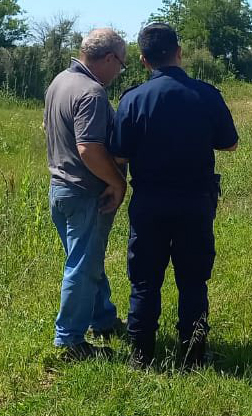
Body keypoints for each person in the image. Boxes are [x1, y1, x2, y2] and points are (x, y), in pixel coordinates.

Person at [109, 23, 239, 368]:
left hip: (149, 202)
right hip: (195, 202)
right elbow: (230, 143)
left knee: (144, 280)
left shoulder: (133, 99)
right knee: (194, 280)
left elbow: (119, 155)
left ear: (143, 59)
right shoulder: (206, 94)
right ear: (179, 53)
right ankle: (193, 354)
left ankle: (141, 355)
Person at [44, 28, 128, 360]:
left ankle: (103, 319)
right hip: (84, 192)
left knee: (87, 261)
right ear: (109, 58)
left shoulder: (60, 82)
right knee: (82, 267)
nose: (119, 71)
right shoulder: (92, 93)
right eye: (121, 64)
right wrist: (117, 183)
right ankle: (69, 341)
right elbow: (89, 149)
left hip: (60, 189)